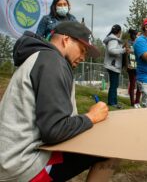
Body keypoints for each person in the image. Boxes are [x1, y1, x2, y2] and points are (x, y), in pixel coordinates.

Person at [0, 21, 117, 181]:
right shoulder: (52, 62)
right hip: (23, 166)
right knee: (110, 148)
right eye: (82, 50)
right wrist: (91, 117)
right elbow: (54, 131)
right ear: (66, 40)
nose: (83, 58)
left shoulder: (44, 57)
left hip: (11, 158)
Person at [103, 24, 127, 109]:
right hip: (112, 66)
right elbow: (111, 50)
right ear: (119, 32)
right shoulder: (113, 40)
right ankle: (112, 102)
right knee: (114, 85)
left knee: (114, 84)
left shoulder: (113, 39)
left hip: (113, 65)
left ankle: (114, 101)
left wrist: (121, 48)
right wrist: (123, 50)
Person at [125, 28, 141, 108]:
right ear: (134, 35)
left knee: (139, 85)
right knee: (132, 84)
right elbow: (127, 51)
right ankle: (132, 102)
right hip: (131, 67)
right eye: (137, 34)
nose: (139, 36)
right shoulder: (128, 42)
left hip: (139, 67)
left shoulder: (139, 42)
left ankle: (137, 101)